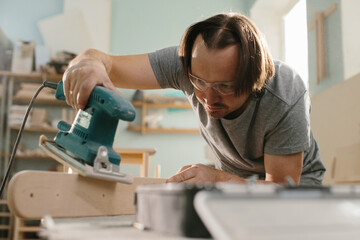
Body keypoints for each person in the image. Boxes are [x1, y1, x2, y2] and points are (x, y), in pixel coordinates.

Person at [62, 12, 326, 186]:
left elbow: (279, 191)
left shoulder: (285, 93)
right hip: (233, 181)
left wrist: (216, 179)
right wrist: (86, 65)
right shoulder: (186, 63)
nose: (208, 98)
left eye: (225, 86)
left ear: (254, 78)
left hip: (295, 190)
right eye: (198, 82)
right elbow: (103, 61)